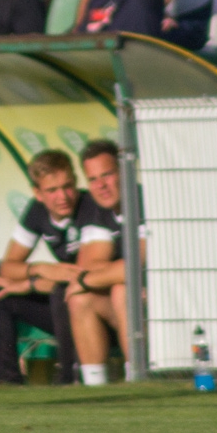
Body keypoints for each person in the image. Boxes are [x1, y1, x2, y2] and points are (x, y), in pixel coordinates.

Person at [0, 149, 92, 386]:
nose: (63, 196)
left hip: (91, 304)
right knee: (0, 295)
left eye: (68, 186)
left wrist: (31, 283)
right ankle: (9, 381)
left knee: (61, 293)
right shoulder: (37, 212)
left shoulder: (90, 207)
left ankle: (68, 378)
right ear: (37, 193)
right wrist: (41, 268)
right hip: (63, 299)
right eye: (52, 190)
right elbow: (8, 267)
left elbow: (82, 277)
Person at [69, 139, 135, 387]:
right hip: (132, 306)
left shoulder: (142, 201)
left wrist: (83, 280)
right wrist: (88, 277)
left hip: (166, 301)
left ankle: (136, 378)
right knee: (80, 299)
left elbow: (133, 269)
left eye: (107, 175)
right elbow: (91, 264)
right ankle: (93, 385)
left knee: (121, 291)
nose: (101, 186)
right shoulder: (101, 211)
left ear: (124, 172)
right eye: (94, 179)